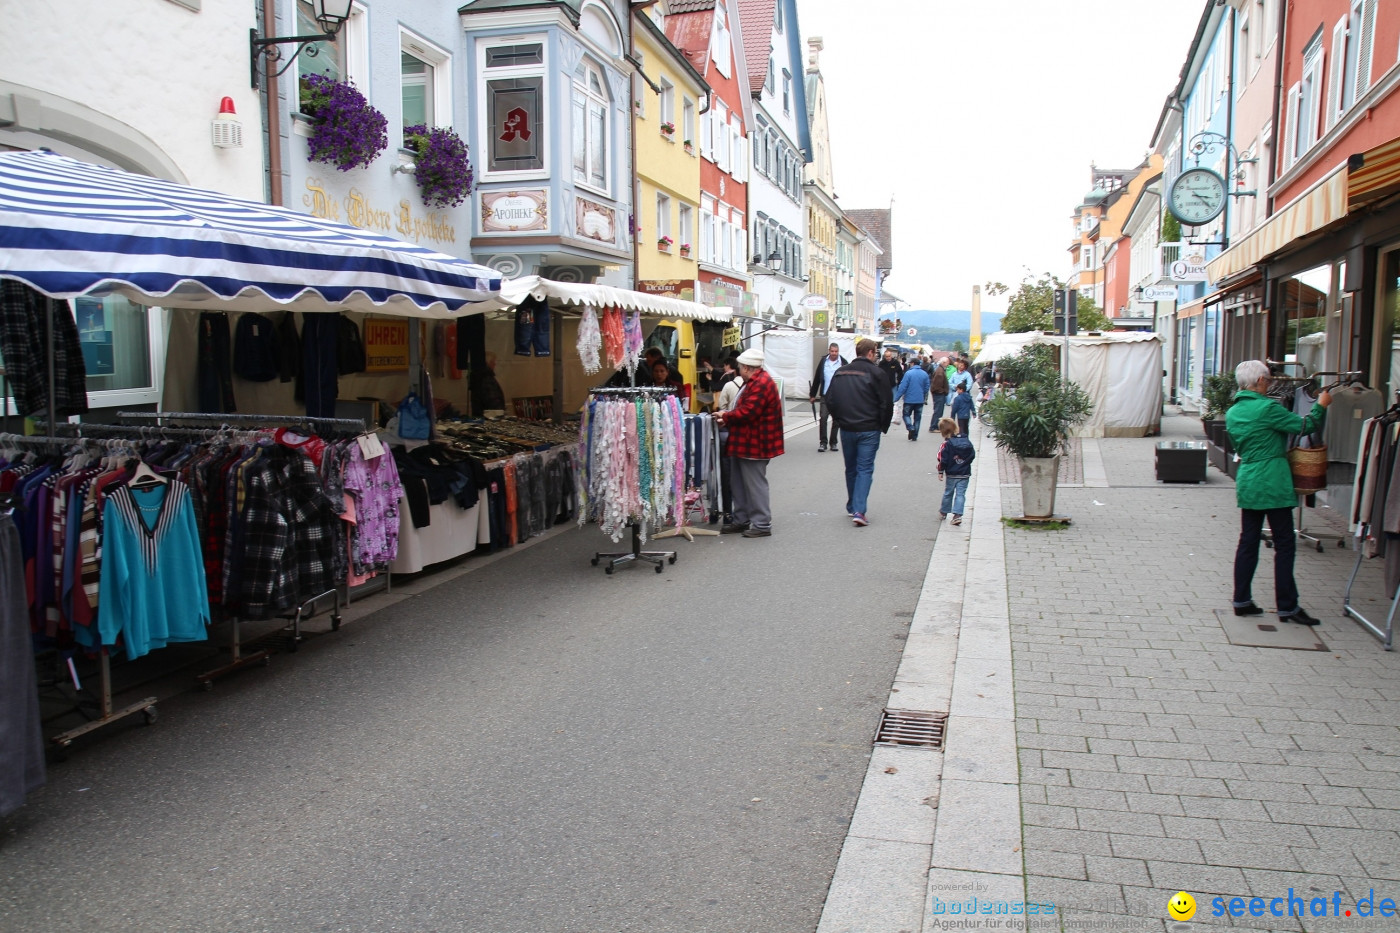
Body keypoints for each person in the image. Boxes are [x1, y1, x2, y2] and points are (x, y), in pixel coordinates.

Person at [1226, 359, 1331, 625]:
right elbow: (1306, 426)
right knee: (1285, 543)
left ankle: (1242, 599)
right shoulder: (1267, 408)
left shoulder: (1234, 412)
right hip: (1272, 479)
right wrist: (1321, 406)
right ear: (1260, 381)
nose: (1271, 383)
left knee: (1248, 541)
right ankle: (1287, 607)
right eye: (1269, 380)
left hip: (1249, 478)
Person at [714, 347, 783, 538]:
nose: (738, 371)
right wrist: (727, 417)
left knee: (754, 483)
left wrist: (725, 415)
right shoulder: (754, 381)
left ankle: (761, 523)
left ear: (746, 367)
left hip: (755, 442)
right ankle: (741, 518)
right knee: (739, 482)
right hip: (746, 440)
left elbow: (748, 412)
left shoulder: (760, 383)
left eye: (740, 368)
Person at [823, 338, 893, 527]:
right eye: (876, 352)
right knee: (864, 468)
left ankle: (853, 504)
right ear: (870, 352)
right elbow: (886, 402)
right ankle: (859, 510)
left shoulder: (840, 373)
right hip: (869, 427)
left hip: (847, 427)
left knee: (851, 468)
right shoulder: (877, 373)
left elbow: (830, 399)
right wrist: (882, 425)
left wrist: (839, 419)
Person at [714, 355, 743, 523]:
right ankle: (742, 512)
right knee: (742, 475)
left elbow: (721, 409)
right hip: (744, 436)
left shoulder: (728, 385)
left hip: (727, 433)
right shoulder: (751, 387)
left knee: (726, 474)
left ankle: (727, 512)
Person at [809, 341, 848, 453]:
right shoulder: (823, 362)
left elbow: (848, 380)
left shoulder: (843, 363)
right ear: (829, 351)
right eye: (832, 351)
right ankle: (823, 443)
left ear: (838, 352)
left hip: (838, 396)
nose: (834, 353)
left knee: (836, 420)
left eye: (836, 351)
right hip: (825, 395)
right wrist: (812, 394)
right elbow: (817, 378)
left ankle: (833, 442)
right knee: (823, 417)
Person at [936, 417, 976, 525]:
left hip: (952, 473)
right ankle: (957, 515)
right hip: (964, 473)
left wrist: (941, 471)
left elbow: (942, 459)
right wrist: (965, 463)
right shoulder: (966, 441)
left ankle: (944, 511)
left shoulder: (947, 444)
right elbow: (972, 455)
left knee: (948, 492)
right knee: (960, 494)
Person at [894, 357, 930, 441]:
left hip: (909, 399)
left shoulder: (908, 373)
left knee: (906, 415)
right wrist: (923, 394)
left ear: (913, 363)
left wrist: (896, 398)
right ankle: (915, 436)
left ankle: (910, 427)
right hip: (919, 399)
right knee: (917, 418)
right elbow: (927, 387)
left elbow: (903, 387)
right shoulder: (924, 374)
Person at [928, 358, 950, 425]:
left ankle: (935, 425)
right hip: (939, 394)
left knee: (938, 411)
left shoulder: (940, 370)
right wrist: (943, 391)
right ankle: (934, 426)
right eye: (947, 363)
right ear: (943, 362)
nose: (948, 364)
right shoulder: (940, 372)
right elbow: (937, 385)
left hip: (939, 393)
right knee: (938, 411)